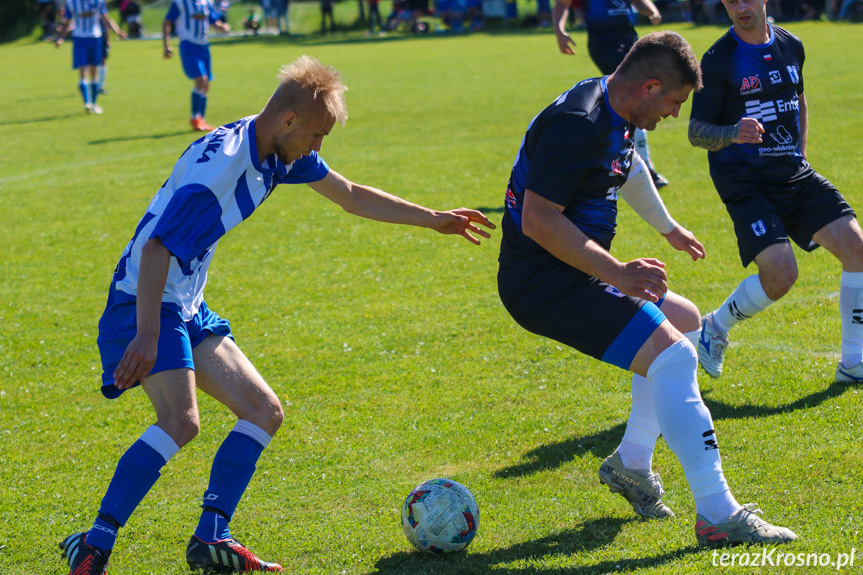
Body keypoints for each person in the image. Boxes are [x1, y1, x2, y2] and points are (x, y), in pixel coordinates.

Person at [58, 55, 495, 575]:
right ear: (288, 122)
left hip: (184, 302)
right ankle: (94, 544)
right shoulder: (223, 171)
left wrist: (433, 220)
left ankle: (211, 538)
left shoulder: (274, 151)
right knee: (181, 420)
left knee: (263, 411)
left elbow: (350, 195)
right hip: (145, 300)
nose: (318, 147)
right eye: (317, 135)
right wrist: (148, 334)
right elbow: (154, 251)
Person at [498, 30, 797, 547]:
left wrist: (668, 228)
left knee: (684, 321)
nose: (676, 114)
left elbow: (626, 166)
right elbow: (539, 220)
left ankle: (632, 464)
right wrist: (616, 273)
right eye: (676, 102)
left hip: (570, 272)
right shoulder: (580, 124)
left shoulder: (611, 107)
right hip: (543, 282)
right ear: (649, 87)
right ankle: (718, 514)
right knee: (677, 357)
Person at [688, 0, 863, 382]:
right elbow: (695, 131)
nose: (739, 7)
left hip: (793, 172)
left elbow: (798, 97)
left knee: (857, 246)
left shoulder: (791, 44)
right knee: (781, 275)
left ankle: (853, 362)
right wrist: (733, 132)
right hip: (745, 182)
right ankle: (716, 326)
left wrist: (801, 151)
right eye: (730, 1)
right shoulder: (718, 59)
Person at [553, 0, 670, 189]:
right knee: (636, 96)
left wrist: (651, 10)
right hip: (604, 43)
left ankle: (612, 164)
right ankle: (642, 167)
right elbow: (561, 4)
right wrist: (560, 31)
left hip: (630, 40)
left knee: (631, 100)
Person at [163, 0, 231, 132]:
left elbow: (213, 21)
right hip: (188, 44)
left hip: (204, 46)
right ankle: (195, 119)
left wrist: (222, 27)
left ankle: (201, 119)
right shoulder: (181, 3)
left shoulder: (206, 2)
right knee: (201, 81)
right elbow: (167, 21)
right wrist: (166, 45)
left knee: (206, 84)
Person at [55, 0, 126, 114]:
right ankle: (90, 103)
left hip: (92, 38)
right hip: (83, 39)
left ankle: (91, 103)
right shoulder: (73, 2)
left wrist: (117, 31)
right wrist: (61, 37)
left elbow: (106, 18)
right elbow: (67, 21)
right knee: (87, 71)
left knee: (89, 72)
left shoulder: (97, 2)